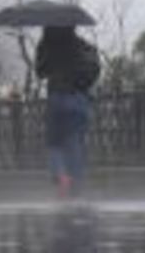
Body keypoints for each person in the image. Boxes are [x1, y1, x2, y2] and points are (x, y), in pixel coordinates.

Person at [35, 24, 101, 197]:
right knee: (75, 144)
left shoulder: (48, 45)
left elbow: (40, 72)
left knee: (54, 143)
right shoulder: (84, 46)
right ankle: (76, 185)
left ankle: (61, 176)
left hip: (57, 97)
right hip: (79, 100)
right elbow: (95, 70)